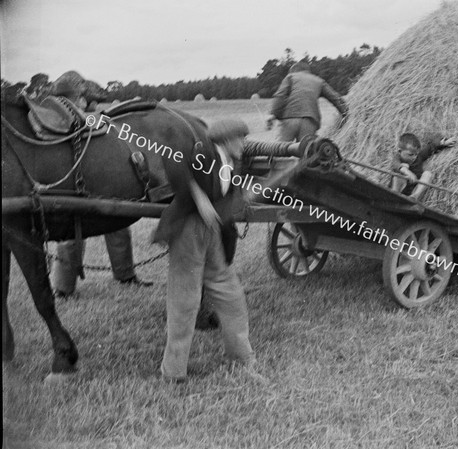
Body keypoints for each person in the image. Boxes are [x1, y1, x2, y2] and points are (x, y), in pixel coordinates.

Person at [153, 119, 257, 383]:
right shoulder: (205, 153)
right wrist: (199, 198)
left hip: (210, 231)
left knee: (229, 291)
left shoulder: (231, 162)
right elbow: (172, 159)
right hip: (188, 228)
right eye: (241, 139)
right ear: (227, 139)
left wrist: (242, 197)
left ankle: (241, 357)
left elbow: (227, 193)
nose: (245, 144)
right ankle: (173, 372)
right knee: (185, 300)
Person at [50, 71, 151, 296]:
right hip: (77, 181)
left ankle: (125, 274)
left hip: (102, 176)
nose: (86, 101)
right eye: (82, 97)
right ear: (76, 97)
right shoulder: (62, 119)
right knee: (73, 229)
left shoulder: (85, 115)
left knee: (118, 219)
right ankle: (63, 288)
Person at [266, 61, 348, 141]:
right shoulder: (319, 81)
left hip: (290, 118)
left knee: (280, 150)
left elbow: (280, 95)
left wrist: (274, 114)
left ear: (293, 71)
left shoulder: (290, 77)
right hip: (310, 121)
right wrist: (346, 113)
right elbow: (335, 98)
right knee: (306, 151)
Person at [390, 133, 456, 200]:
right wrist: (406, 171)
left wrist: (443, 143)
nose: (414, 157)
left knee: (428, 174)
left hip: (412, 192)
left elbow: (430, 147)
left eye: (416, 154)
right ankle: (394, 196)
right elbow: (396, 165)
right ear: (400, 151)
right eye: (410, 155)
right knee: (398, 175)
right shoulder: (397, 158)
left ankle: (414, 197)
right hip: (398, 190)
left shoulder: (419, 157)